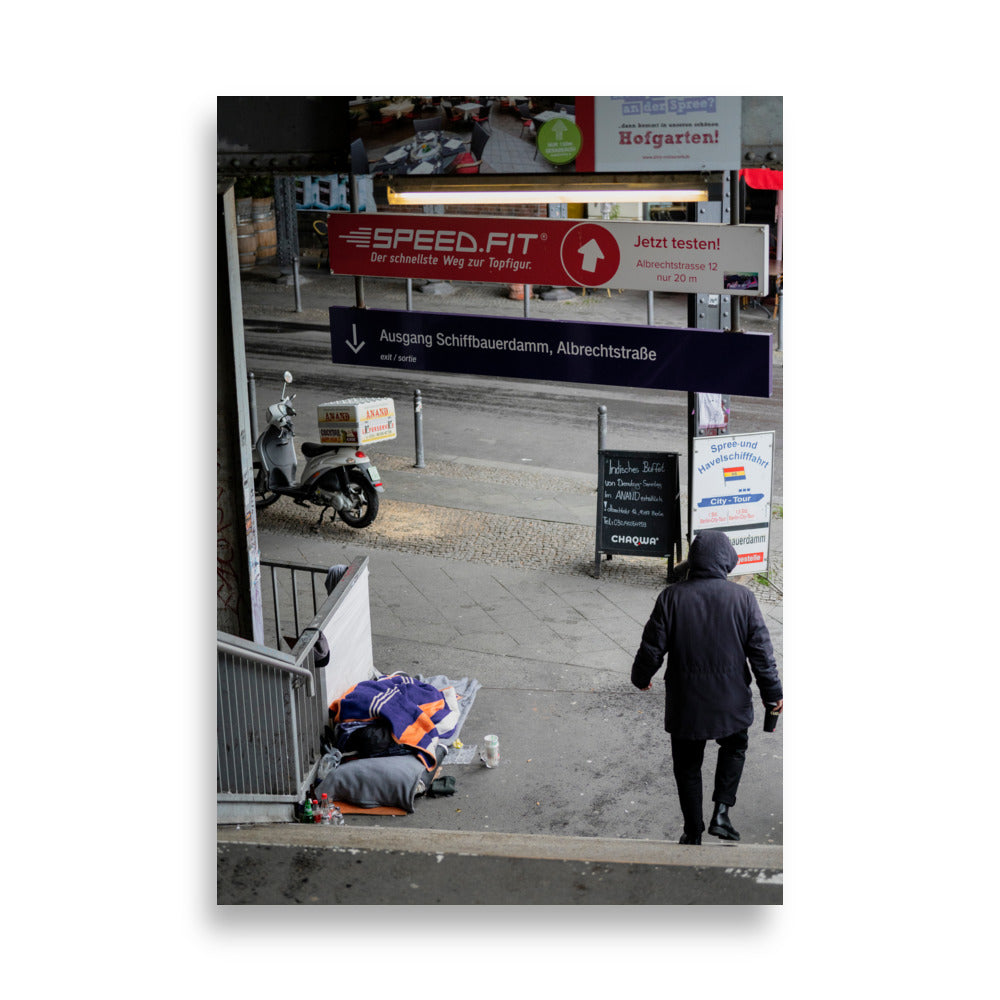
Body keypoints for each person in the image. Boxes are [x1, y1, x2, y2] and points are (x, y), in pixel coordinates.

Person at [630, 530, 783, 845]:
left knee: (687, 765)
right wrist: (773, 694)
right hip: (731, 700)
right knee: (735, 746)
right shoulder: (743, 599)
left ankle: (693, 830)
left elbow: (651, 647)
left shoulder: (672, 597)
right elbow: (761, 654)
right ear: (727, 560)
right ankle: (722, 813)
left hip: (687, 703)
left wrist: (641, 677)